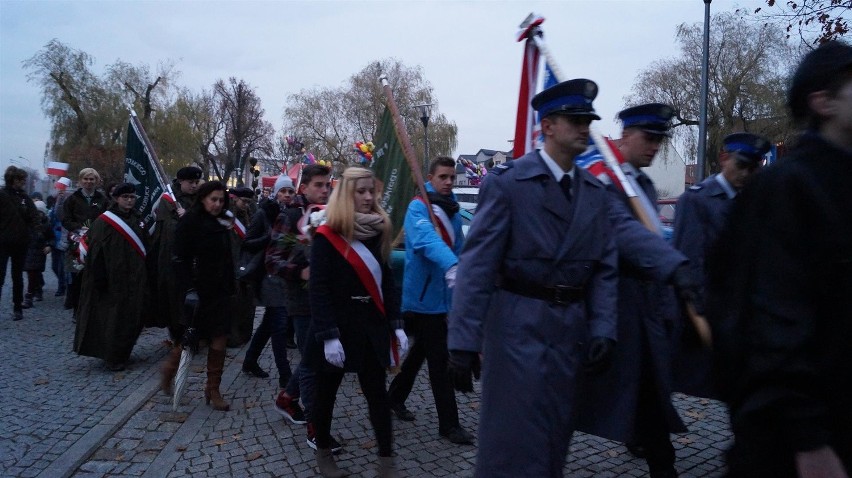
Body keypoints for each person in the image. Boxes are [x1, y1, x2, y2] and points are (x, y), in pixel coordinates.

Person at [447, 79, 619, 477]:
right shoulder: (509, 185)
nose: (583, 128)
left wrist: (604, 327)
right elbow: (477, 266)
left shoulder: (595, 192)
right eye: (574, 120)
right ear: (548, 127)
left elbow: (605, 268)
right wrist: (462, 341)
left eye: (587, 121)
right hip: (516, 328)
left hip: (569, 331)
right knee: (510, 443)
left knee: (554, 439)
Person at [707, 40, 852, 478]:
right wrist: (807, 438)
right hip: (796, 441)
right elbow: (772, 321)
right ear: (822, 102)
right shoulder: (789, 188)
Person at [573, 103, 696, 478]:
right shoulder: (606, 181)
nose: (656, 146)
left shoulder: (641, 183)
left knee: (651, 395)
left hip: (648, 311)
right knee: (579, 397)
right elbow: (623, 233)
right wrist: (673, 265)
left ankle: (657, 456)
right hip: (615, 310)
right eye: (649, 137)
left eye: (660, 139)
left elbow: (652, 234)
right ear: (625, 136)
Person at [308, 166, 408, 478]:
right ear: (346, 195)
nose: (367, 197)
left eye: (371, 191)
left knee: (378, 395)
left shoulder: (379, 228)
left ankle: (387, 461)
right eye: (360, 192)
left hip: (370, 325)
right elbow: (319, 287)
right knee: (327, 394)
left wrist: (397, 324)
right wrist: (328, 335)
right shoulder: (327, 235)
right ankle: (323, 453)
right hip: (338, 326)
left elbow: (386, 282)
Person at [670, 132, 769, 399]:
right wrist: (697, 316)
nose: (747, 174)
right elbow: (688, 262)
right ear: (724, 159)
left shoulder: (754, 201)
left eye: (754, 167)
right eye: (742, 165)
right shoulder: (696, 200)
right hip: (713, 313)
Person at [386, 156, 473, 445]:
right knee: (440, 361)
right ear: (430, 177)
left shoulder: (453, 209)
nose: (448, 182)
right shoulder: (418, 207)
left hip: (444, 297)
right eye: (443, 177)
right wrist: (451, 266)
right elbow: (425, 240)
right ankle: (449, 425)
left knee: (421, 351)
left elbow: (458, 248)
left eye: (452, 177)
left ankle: (394, 397)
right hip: (423, 299)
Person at [270, 164, 339, 450]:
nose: (324, 190)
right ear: (304, 188)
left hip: (330, 299)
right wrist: (300, 272)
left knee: (317, 358)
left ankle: (287, 398)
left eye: (327, 185)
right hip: (301, 301)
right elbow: (272, 260)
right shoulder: (290, 216)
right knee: (313, 363)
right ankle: (316, 427)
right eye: (319, 185)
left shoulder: (333, 215)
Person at [170, 180, 236, 411]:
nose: (218, 204)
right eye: (213, 200)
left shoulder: (223, 221)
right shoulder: (190, 221)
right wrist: (189, 289)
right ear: (202, 199)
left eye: (221, 200)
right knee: (191, 340)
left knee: (220, 338)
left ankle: (213, 388)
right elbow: (178, 258)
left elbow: (227, 256)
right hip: (196, 290)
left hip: (219, 290)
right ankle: (170, 370)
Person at [73, 183, 148, 371]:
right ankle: (112, 356)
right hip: (113, 277)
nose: (129, 201)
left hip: (135, 277)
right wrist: (100, 277)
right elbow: (96, 252)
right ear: (116, 198)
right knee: (113, 318)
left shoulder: (138, 220)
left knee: (132, 317)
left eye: (132, 197)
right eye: (125, 197)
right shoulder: (105, 221)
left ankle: (124, 352)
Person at [242, 175, 296, 379]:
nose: (287, 195)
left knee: (268, 324)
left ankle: (249, 361)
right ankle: (285, 373)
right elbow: (247, 241)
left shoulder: (293, 213)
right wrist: (271, 238)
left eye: (290, 191)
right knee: (280, 324)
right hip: (267, 275)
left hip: (283, 275)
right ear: (276, 192)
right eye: (283, 191)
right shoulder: (264, 213)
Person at [153, 166, 202, 392]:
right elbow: (168, 229)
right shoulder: (168, 200)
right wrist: (184, 219)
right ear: (180, 181)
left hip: (196, 258)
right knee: (175, 299)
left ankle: (189, 334)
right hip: (174, 258)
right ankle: (177, 335)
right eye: (190, 182)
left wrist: (191, 217)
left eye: (196, 181)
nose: (194, 185)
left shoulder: (199, 198)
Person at [61, 168, 108, 314]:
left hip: (96, 241)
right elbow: (65, 219)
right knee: (77, 277)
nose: (89, 182)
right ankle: (77, 308)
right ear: (80, 181)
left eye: (92, 179)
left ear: (96, 181)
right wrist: (78, 229)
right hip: (77, 243)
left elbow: (107, 217)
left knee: (95, 275)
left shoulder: (102, 200)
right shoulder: (72, 199)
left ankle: (94, 308)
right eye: (86, 179)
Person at [0, 166, 38, 321]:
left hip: (21, 242)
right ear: (13, 180)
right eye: (21, 180)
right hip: (2, 242)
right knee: (0, 277)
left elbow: (34, 217)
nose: (23, 182)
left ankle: (17, 307)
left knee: (17, 276)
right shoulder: (1, 195)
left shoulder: (25, 198)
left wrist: (33, 233)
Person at [227, 186, 257, 348]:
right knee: (234, 303)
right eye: (243, 201)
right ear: (234, 199)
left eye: (248, 202)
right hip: (232, 264)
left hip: (246, 264)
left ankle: (244, 333)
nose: (246, 205)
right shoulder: (228, 217)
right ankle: (232, 336)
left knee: (246, 302)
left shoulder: (249, 216)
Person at [22, 200, 52, 308]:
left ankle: (29, 296)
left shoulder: (47, 224)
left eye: (40, 212)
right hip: (29, 250)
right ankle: (37, 290)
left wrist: (49, 245)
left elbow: (51, 237)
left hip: (40, 252)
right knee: (32, 273)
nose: (38, 214)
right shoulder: (28, 223)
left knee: (34, 273)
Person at [48, 189, 68, 297]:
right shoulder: (52, 210)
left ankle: (62, 287)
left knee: (61, 267)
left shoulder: (66, 210)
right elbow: (49, 224)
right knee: (54, 266)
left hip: (63, 240)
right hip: (54, 240)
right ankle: (63, 283)